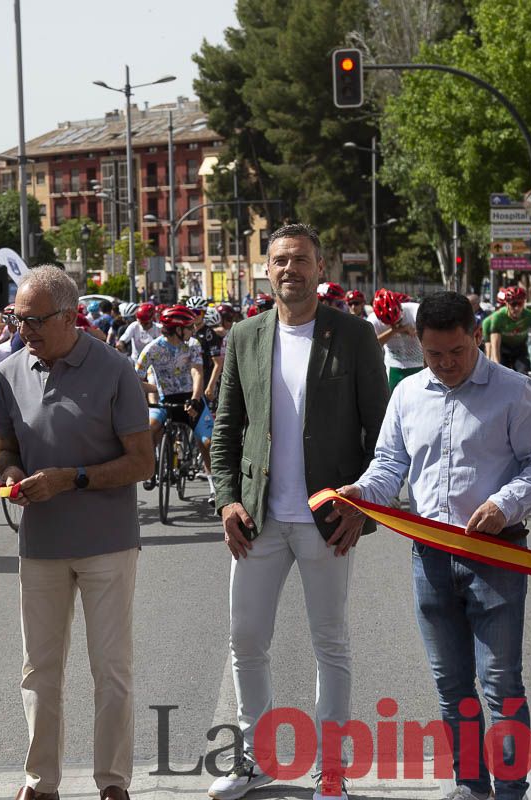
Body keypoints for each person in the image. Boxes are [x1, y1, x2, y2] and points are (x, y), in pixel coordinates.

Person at [335, 292, 531, 800]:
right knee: (451, 685)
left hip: (497, 557)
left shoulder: (513, 392)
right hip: (430, 558)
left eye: (456, 353)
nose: (445, 365)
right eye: (434, 354)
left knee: (501, 683)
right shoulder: (409, 394)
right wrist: (362, 493)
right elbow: (390, 466)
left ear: (477, 338)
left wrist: (506, 503)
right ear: (419, 345)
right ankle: (470, 785)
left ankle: (509, 791)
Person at [208, 223, 389, 800]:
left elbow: (381, 434)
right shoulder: (245, 336)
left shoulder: (355, 336)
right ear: (267, 270)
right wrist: (226, 500)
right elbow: (226, 432)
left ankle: (330, 769)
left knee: (329, 641)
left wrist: (364, 504)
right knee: (246, 639)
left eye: (301, 260)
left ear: (320, 268)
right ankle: (251, 762)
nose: (291, 270)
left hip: (327, 518)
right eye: (280, 260)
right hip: (258, 518)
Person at [0, 266, 154, 800]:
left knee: (110, 669)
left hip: (107, 544)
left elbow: (142, 462)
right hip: (40, 546)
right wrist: (12, 479)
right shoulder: (10, 371)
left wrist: (74, 479)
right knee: (38, 671)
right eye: (18, 320)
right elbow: (8, 452)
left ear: (68, 317)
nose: (24, 331)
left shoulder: (114, 370)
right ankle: (40, 783)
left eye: (35, 321)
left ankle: (112, 782)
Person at [136, 305, 214, 499]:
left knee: (207, 441)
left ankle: (215, 485)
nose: (193, 330)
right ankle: (151, 466)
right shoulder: (152, 349)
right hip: (166, 400)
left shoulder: (193, 344)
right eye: (189, 327)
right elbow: (135, 380)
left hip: (191, 398)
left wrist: (196, 399)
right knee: (150, 429)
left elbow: (197, 372)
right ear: (178, 330)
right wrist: (155, 390)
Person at [370, 288, 426, 392]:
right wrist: (395, 330)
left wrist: (417, 332)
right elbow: (371, 346)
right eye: (389, 323)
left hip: (418, 364)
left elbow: (432, 338)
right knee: (391, 401)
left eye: (398, 320)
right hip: (393, 366)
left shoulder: (415, 311)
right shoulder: (373, 320)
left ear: (400, 307)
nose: (395, 324)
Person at [482, 285, 531, 374]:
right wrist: (496, 366)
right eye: (513, 304)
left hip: (519, 350)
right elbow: (494, 345)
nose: (517, 308)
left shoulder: (530, 316)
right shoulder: (498, 317)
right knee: (501, 374)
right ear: (507, 304)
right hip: (503, 349)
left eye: (520, 304)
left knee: (523, 374)